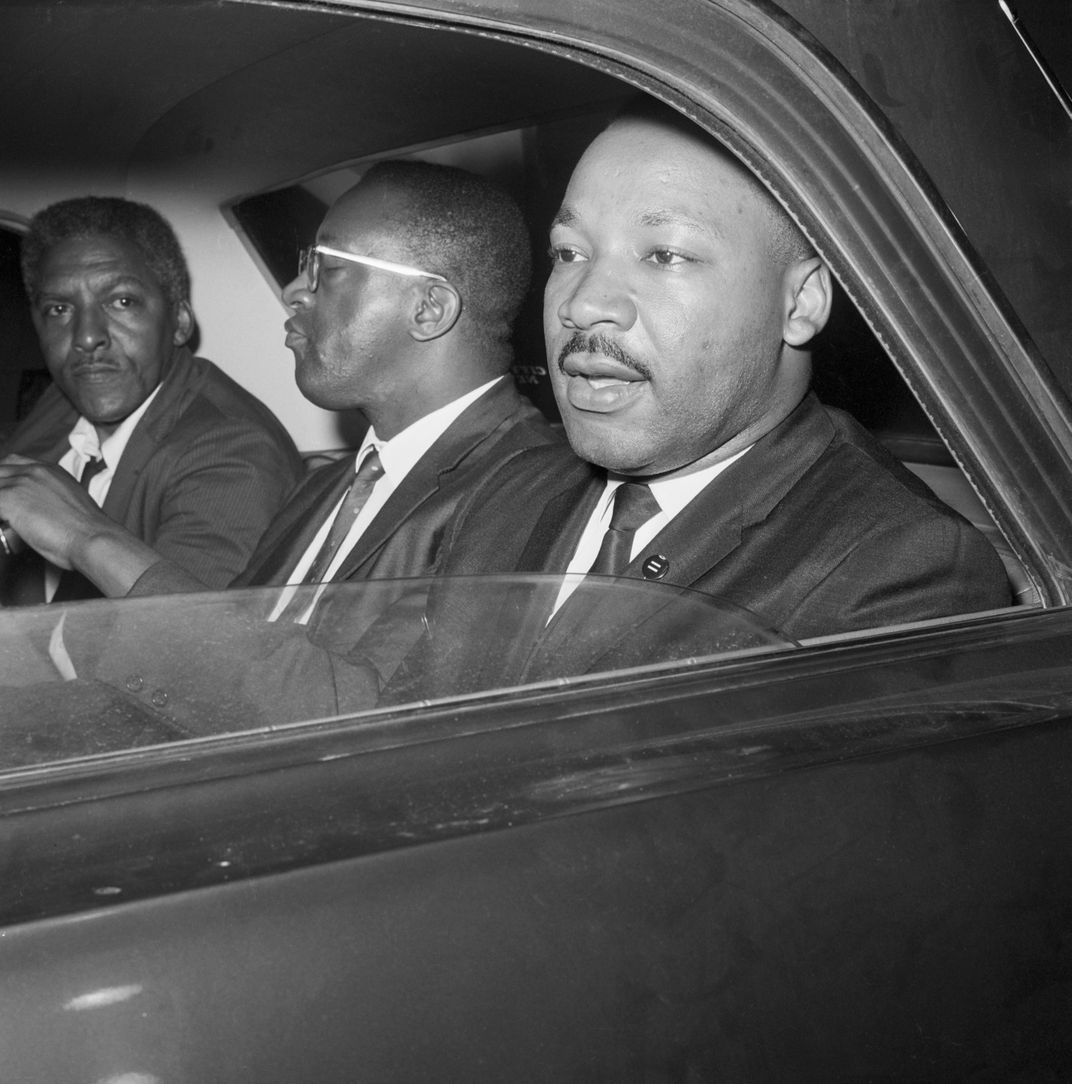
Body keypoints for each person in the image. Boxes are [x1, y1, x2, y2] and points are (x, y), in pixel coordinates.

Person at [384, 97, 1013, 696]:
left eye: (664, 255)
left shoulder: (900, 569)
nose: (582, 303)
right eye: (569, 253)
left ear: (800, 302)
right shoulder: (509, 492)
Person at [0, 162, 556, 613]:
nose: (294, 292)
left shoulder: (531, 493)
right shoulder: (331, 488)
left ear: (428, 308)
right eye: (302, 265)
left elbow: (341, 706)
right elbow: (236, 633)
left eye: (327, 267)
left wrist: (85, 538)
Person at [0, 196, 302, 605]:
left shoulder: (233, 451)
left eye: (122, 301)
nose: (87, 337)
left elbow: (190, 645)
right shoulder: (69, 398)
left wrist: (80, 534)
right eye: (59, 309)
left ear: (178, 321)